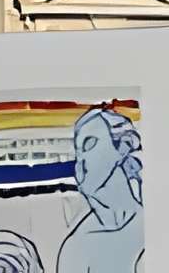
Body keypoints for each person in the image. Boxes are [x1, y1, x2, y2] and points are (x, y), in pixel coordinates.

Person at [55, 107, 145, 273]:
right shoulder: (76, 247)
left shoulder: (153, 224)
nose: (80, 161)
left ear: (123, 147)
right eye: (77, 152)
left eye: (89, 144)